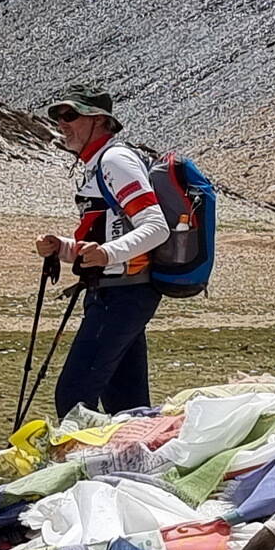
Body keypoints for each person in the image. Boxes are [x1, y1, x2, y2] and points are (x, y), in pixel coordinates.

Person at [38, 86, 169, 419]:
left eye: (70, 115)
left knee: (73, 398)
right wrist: (63, 248)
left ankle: (86, 468)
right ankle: (135, 463)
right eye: (57, 117)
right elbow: (109, 236)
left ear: (99, 120)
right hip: (118, 292)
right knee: (127, 405)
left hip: (122, 296)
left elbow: (156, 226)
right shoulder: (99, 165)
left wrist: (108, 255)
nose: (61, 124)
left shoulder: (115, 160)